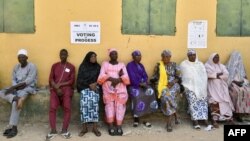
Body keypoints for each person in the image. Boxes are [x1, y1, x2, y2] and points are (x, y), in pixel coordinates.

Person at [0, 49, 37, 138]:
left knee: (14, 104)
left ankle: (14, 127)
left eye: (23, 57)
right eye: (19, 57)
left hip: (27, 88)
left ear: (26, 58)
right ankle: (16, 98)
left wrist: (14, 87)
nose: (21, 59)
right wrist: (14, 87)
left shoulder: (32, 66)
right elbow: (13, 79)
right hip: (16, 88)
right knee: (2, 92)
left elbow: (29, 80)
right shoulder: (16, 67)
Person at [97, 48, 130, 136]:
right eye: (112, 54)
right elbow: (101, 76)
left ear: (117, 55)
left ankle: (119, 125)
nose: (114, 55)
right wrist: (112, 79)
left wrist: (118, 80)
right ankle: (110, 125)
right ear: (109, 55)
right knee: (109, 106)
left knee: (120, 106)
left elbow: (126, 77)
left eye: (116, 54)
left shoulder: (122, 65)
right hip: (108, 88)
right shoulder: (105, 64)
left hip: (120, 88)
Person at [46, 49, 75, 140]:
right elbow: (51, 79)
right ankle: (53, 130)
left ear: (67, 55)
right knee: (52, 108)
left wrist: (61, 85)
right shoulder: (54, 66)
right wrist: (56, 87)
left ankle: (64, 130)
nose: (63, 56)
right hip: (55, 89)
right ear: (59, 55)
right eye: (61, 54)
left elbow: (72, 80)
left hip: (66, 89)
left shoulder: (71, 67)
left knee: (67, 108)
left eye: (64, 54)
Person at [180, 49, 212, 131]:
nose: (192, 56)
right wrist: (191, 83)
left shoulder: (200, 64)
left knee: (203, 99)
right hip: (189, 87)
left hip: (201, 86)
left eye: (193, 55)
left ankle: (205, 119)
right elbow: (184, 77)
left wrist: (201, 86)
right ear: (188, 56)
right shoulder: (184, 64)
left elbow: (204, 76)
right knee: (192, 99)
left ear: (196, 55)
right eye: (190, 55)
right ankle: (195, 120)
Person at [150, 50, 181, 132]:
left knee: (167, 96)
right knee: (166, 97)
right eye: (164, 56)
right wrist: (153, 82)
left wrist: (172, 83)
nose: (166, 58)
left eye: (168, 56)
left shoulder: (174, 65)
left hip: (173, 84)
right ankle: (173, 115)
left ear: (170, 57)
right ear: (162, 57)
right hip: (161, 85)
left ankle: (169, 123)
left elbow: (178, 77)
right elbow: (154, 76)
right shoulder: (159, 65)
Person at [126, 50, 158, 128]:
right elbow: (131, 77)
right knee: (138, 96)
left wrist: (144, 82)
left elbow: (145, 75)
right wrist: (139, 83)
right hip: (134, 86)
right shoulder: (130, 65)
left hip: (143, 84)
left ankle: (145, 118)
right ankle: (136, 118)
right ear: (133, 57)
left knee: (150, 92)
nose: (139, 57)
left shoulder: (141, 65)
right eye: (137, 56)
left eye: (140, 56)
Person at [205, 53, 235, 128]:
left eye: (218, 57)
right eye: (215, 57)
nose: (217, 59)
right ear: (211, 58)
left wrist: (216, 75)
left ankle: (229, 119)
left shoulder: (221, 66)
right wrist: (218, 74)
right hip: (212, 87)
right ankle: (214, 120)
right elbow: (208, 75)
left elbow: (226, 75)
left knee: (226, 101)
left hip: (222, 88)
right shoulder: (207, 65)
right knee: (214, 101)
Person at [77, 51, 101, 137]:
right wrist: (88, 85)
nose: (94, 58)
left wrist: (96, 84)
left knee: (95, 105)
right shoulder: (83, 66)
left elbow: (101, 78)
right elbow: (79, 80)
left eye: (95, 56)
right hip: (85, 88)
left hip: (95, 88)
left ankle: (95, 128)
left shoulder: (98, 67)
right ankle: (84, 128)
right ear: (88, 58)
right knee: (84, 105)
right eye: (92, 56)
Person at [226, 51, 250, 121]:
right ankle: (237, 113)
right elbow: (227, 79)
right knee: (237, 92)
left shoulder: (242, 67)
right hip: (232, 83)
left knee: (248, 91)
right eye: (236, 58)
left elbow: (245, 77)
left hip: (242, 83)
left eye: (239, 58)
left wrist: (243, 81)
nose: (238, 60)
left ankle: (245, 112)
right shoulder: (228, 67)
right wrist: (235, 82)